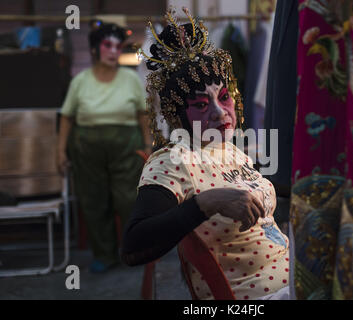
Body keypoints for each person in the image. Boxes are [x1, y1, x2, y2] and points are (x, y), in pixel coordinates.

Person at [121, 7, 290, 300]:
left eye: (223, 98)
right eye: (200, 105)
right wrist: (205, 203)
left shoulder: (228, 147)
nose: (218, 112)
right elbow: (134, 247)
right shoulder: (173, 160)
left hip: (291, 279)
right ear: (177, 115)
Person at [58, 21, 151, 273]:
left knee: (129, 199)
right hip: (86, 145)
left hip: (126, 144)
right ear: (94, 49)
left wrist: (148, 145)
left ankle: (135, 250)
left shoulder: (130, 79)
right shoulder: (81, 81)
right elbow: (67, 117)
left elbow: (143, 114)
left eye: (117, 46)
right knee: (94, 200)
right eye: (107, 45)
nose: (113, 51)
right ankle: (104, 255)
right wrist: (60, 152)